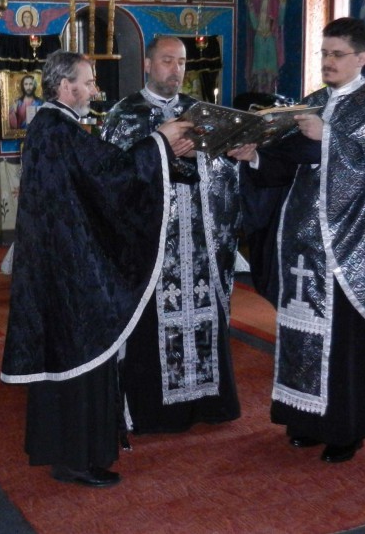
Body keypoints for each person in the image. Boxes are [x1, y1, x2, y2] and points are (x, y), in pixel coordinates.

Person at [1, 50, 194, 488]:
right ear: (65, 86)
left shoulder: (53, 127)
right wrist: (160, 140)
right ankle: (76, 459)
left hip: (62, 261)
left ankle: (67, 452)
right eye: (88, 82)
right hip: (72, 268)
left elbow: (96, 176)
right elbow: (111, 174)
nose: (94, 90)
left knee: (68, 359)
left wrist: (161, 151)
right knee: (82, 355)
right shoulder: (57, 129)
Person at [249, 17, 365, 463]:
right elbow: (288, 161)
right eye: (324, 53)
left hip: (351, 246)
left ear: (362, 58)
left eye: (337, 54)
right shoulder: (313, 101)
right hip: (303, 244)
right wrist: (254, 156)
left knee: (344, 342)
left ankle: (346, 430)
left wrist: (330, 138)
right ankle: (305, 421)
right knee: (300, 332)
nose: (328, 62)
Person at [101, 36, 257, 434]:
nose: (176, 70)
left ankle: (206, 404)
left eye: (182, 62)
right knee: (151, 320)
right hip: (152, 244)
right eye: (167, 60)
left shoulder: (200, 112)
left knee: (204, 311)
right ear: (148, 65)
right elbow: (113, 179)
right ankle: (154, 412)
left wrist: (202, 156)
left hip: (200, 241)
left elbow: (227, 172)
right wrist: (163, 152)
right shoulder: (125, 115)